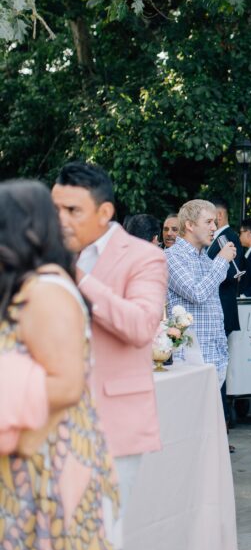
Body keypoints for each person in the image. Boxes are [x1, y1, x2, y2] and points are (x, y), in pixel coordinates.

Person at [0, 179, 120, 550]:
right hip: (31, 450)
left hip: (48, 457)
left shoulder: (47, 291)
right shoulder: (28, 285)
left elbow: (67, 385)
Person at [52, 160, 167, 512]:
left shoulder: (144, 257)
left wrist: (78, 278)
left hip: (112, 421)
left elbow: (141, 326)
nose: (61, 219)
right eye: (55, 208)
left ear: (104, 211)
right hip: (49, 421)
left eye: (72, 210)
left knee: (100, 541)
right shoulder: (47, 254)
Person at [165, 199, 237, 386]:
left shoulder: (206, 259)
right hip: (188, 361)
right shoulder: (171, 257)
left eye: (214, 222)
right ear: (189, 225)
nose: (214, 227)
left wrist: (222, 353)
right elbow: (197, 294)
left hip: (215, 359)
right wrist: (221, 261)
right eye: (208, 222)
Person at [207, 199, 245, 437]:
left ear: (219, 215)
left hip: (222, 307)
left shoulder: (228, 237)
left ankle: (221, 422)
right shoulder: (219, 238)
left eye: (211, 218)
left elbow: (231, 273)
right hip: (218, 308)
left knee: (218, 367)